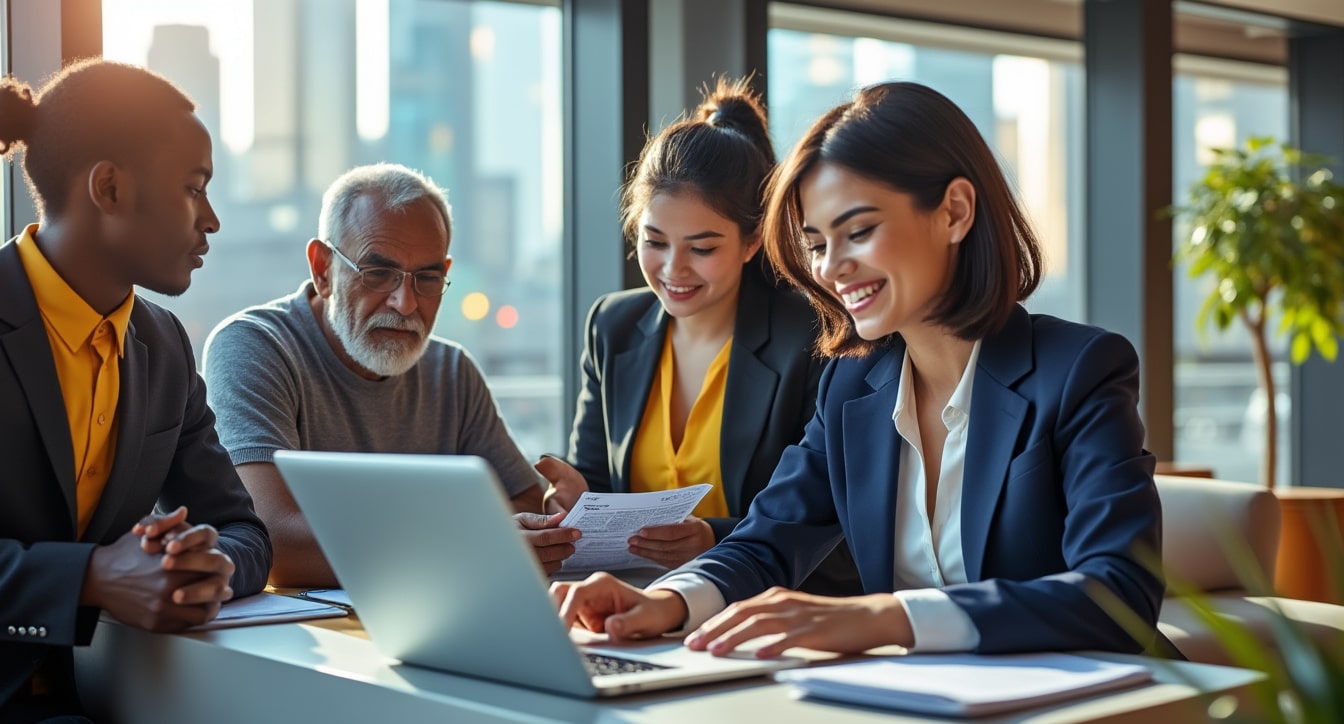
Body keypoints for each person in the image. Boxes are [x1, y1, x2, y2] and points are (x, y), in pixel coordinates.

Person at [552, 81, 1165, 659]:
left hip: (1090, 713)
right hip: (918, 706)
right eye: (817, 243)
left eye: (859, 231)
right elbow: (768, 539)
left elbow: (1120, 594)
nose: (830, 268)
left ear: (954, 211)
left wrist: (887, 617)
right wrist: (664, 600)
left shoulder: (1079, 370)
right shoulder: (852, 386)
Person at [0, 60, 272, 724]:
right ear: (110, 187)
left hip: (91, 705)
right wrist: (92, 577)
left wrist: (202, 566)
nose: (211, 219)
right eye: (194, 188)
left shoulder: (162, 346)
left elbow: (245, 528)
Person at [521, 80, 859, 595]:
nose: (673, 269)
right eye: (654, 241)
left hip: (761, 607)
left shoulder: (814, 337)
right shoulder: (612, 326)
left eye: (702, 248)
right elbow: (598, 479)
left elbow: (832, 520)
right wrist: (576, 505)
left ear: (752, 242)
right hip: (629, 604)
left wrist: (712, 539)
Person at [203, 163, 543, 587]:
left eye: (427, 278)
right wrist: (469, 545)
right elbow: (273, 542)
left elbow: (526, 503)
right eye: (378, 273)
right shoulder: (254, 346)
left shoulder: (451, 370)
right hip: (293, 635)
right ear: (323, 269)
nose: (404, 303)